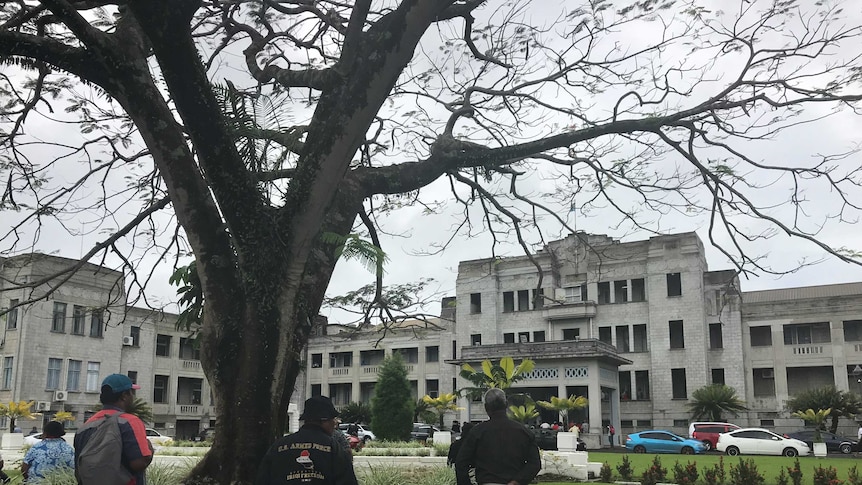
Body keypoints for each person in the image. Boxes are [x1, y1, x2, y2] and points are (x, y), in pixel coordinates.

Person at [255, 396, 358, 485]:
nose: (334, 424)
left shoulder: (278, 447)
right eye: (333, 420)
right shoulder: (333, 448)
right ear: (324, 420)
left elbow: (262, 480)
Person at [74, 374, 153, 485]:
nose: (133, 397)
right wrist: (150, 450)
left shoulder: (84, 427)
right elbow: (139, 463)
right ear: (124, 395)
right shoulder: (129, 421)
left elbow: (79, 468)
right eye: (131, 393)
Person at [455, 389, 541, 485]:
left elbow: (461, 463)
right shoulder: (524, 432)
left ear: (486, 407)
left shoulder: (477, 432)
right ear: (506, 404)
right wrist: (517, 481)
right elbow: (534, 464)